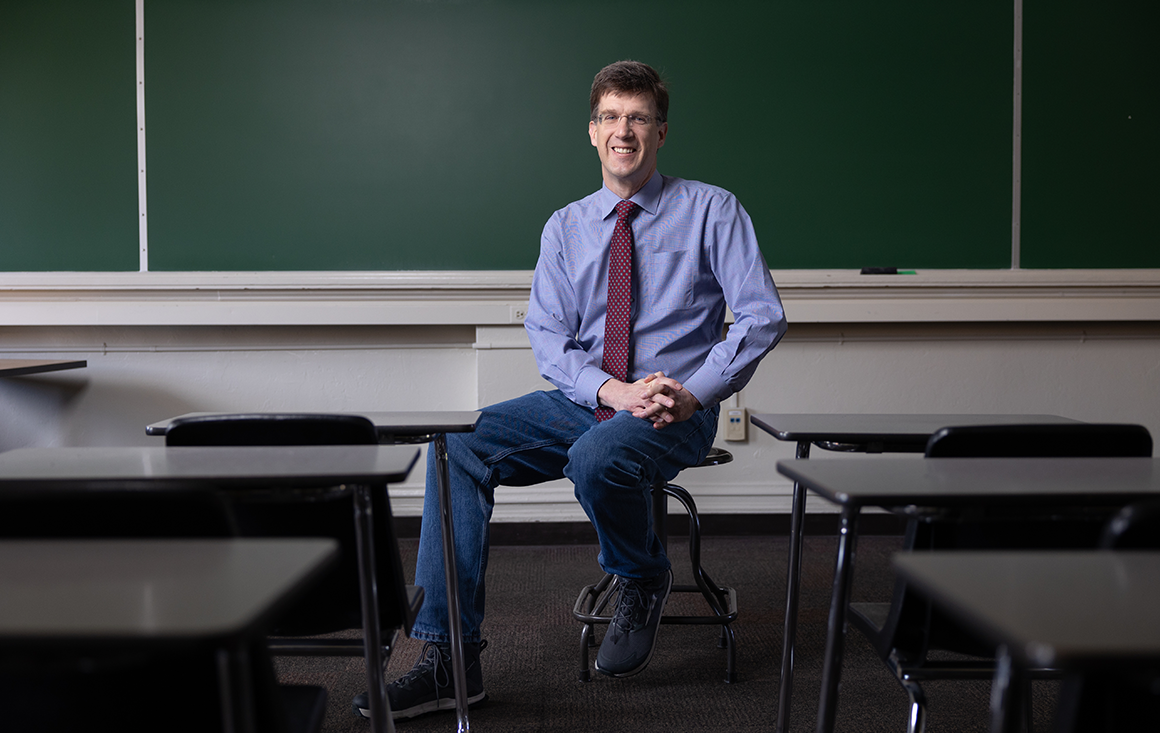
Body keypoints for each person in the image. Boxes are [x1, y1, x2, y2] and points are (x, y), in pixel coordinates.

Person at [354, 59, 787, 721]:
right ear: (592, 131)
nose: (624, 130)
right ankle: (450, 659)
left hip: (676, 408)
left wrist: (695, 392)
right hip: (583, 399)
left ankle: (641, 573)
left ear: (661, 133)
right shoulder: (565, 226)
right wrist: (612, 392)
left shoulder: (711, 210)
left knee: (597, 457)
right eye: (612, 117)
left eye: (638, 118)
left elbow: (762, 314)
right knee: (453, 447)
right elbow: (548, 336)